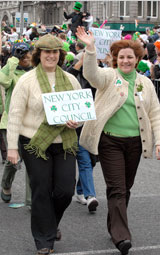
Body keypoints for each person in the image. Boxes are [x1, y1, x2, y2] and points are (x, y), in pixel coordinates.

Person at [76, 26, 160, 255]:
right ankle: (122, 236)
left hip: (135, 143)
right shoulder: (108, 76)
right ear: (116, 59)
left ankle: (113, 224)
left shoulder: (145, 83)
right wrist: (90, 48)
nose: (126, 61)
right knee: (116, 188)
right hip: (110, 142)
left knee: (125, 188)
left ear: (138, 59)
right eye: (122, 57)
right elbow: (91, 74)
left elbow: (156, 114)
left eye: (130, 57)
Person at [6, 34, 81, 255]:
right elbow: (14, 115)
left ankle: (49, 224)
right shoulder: (26, 81)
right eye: (47, 52)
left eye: (55, 51)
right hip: (34, 142)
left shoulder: (71, 79)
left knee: (65, 191)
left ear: (60, 54)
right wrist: (11, 147)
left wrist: (78, 120)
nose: (51, 55)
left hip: (64, 142)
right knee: (41, 190)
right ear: (39, 55)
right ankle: (43, 239)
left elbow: (83, 110)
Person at [0, 42, 33, 205]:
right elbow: (1, 80)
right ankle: (6, 185)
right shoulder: (12, 72)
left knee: (33, 161)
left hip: (32, 123)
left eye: (28, 56)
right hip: (11, 122)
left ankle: (32, 200)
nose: (27, 59)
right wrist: (12, 60)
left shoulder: (35, 72)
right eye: (23, 57)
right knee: (14, 160)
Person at [66, 52, 99, 212]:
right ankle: (90, 196)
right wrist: (83, 58)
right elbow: (68, 74)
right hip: (73, 127)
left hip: (91, 126)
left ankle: (80, 191)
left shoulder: (94, 78)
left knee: (91, 161)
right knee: (85, 161)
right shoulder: (70, 75)